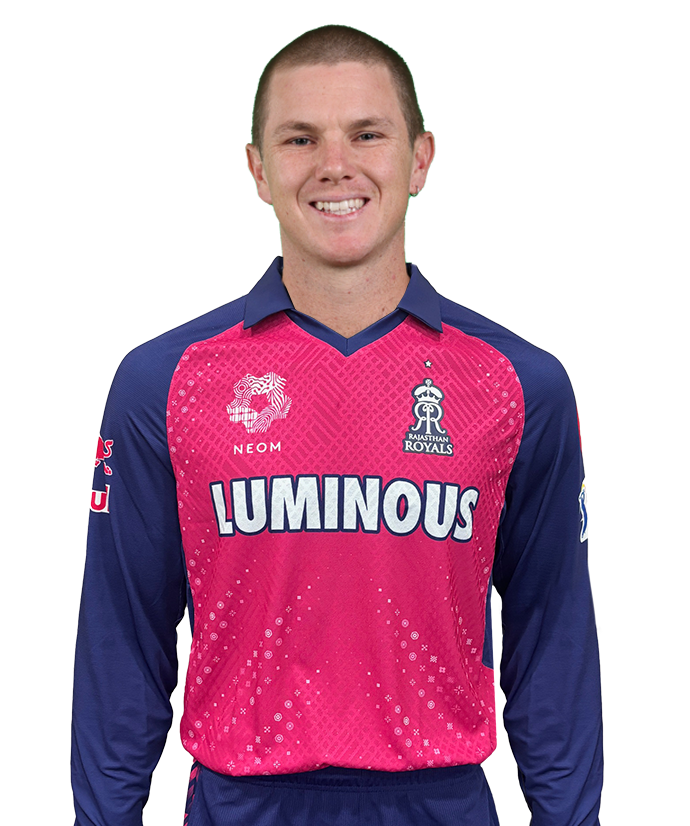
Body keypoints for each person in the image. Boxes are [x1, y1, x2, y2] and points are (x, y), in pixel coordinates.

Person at [71, 25, 603, 826]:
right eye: (300, 138)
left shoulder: (519, 379)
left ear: (419, 159)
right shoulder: (164, 383)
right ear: (259, 170)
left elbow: (553, 633)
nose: (334, 164)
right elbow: (121, 640)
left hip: (441, 803)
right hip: (240, 804)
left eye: (366, 134)